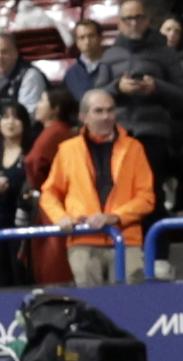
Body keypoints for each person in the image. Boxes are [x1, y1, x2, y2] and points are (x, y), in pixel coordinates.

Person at [42, 87, 155, 286]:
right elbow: (49, 193)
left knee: (129, 300)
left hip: (126, 240)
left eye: (110, 110)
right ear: (83, 116)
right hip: (83, 240)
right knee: (89, 302)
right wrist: (60, 217)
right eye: (98, 111)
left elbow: (146, 198)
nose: (106, 116)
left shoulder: (134, 148)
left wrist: (115, 217)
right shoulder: (68, 150)